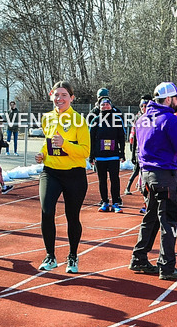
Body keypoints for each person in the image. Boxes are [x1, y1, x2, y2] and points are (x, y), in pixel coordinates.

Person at [129, 82, 177, 280]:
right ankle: (167, 266)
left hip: (147, 174)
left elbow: (138, 148)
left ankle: (139, 257)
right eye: (176, 99)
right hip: (165, 174)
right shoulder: (170, 119)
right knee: (168, 221)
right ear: (168, 99)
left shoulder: (142, 119)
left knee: (151, 217)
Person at [34, 81, 90, 273]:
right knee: (46, 210)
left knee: (72, 216)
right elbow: (48, 142)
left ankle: (72, 256)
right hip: (51, 171)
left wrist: (65, 144)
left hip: (74, 174)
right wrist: (42, 154)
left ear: (72, 98)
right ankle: (50, 256)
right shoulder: (47, 118)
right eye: (56, 95)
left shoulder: (79, 121)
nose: (60, 99)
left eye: (64, 95)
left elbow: (85, 151)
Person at [89, 95, 126, 212]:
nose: (105, 106)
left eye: (107, 104)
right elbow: (91, 139)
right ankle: (104, 202)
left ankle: (115, 203)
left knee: (115, 179)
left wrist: (122, 153)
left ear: (111, 105)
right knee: (102, 180)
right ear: (99, 107)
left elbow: (121, 137)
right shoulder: (95, 120)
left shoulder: (117, 120)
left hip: (114, 155)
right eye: (102, 105)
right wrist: (91, 155)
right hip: (100, 156)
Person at [125, 97, 148, 196]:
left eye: (146, 106)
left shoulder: (153, 117)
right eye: (142, 106)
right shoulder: (138, 117)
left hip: (148, 148)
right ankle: (128, 187)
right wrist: (133, 152)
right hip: (139, 148)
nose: (144, 108)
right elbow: (134, 136)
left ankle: (143, 188)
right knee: (136, 170)